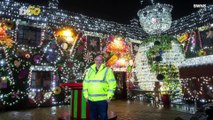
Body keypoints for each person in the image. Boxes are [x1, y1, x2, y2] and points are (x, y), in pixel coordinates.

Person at [83, 55, 116, 120]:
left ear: (102, 61)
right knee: (93, 117)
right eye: (97, 60)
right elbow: (85, 83)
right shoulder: (89, 70)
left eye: (100, 60)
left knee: (103, 117)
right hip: (91, 99)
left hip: (102, 100)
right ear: (94, 61)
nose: (98, 61)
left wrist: (109, 96)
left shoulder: (108, 70)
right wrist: (86, 96)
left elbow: (112, 84)